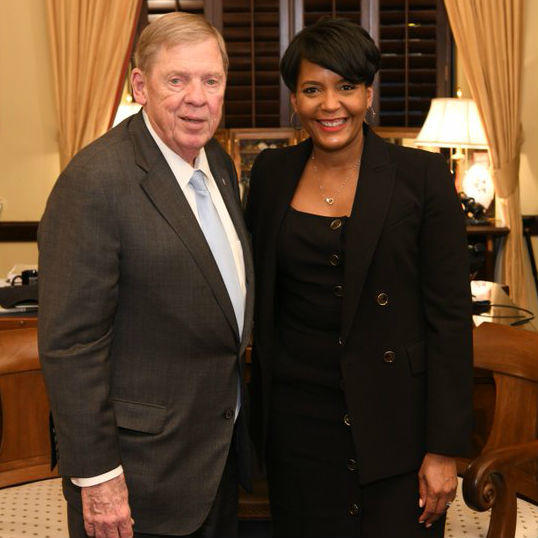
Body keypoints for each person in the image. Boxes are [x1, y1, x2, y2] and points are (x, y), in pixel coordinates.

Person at [245, 18, 473, 538]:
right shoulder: (272, 175)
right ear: (294, 101)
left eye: (346, 86)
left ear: (368, 92)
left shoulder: (422, 177)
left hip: (398, 427)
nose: (331, 105)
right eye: (312, 89)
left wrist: (444, 449)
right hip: (299, 427)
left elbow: (451, 320)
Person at [38, 12, 253, 538]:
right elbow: (71, 346)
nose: (197, 97)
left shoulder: (219, 165)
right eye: (176, 80)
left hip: (214, 458)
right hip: (136, 478)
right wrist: (98, 478)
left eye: (211, 80)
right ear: (140, 86)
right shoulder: (94, 181)